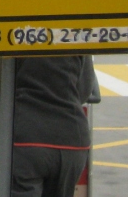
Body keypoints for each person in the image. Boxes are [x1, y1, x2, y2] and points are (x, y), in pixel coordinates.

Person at [10, 55, 96, 197]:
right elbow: (84, 90)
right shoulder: (76, 41)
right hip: (72, 139)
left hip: (28, 136)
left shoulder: (15, 41)